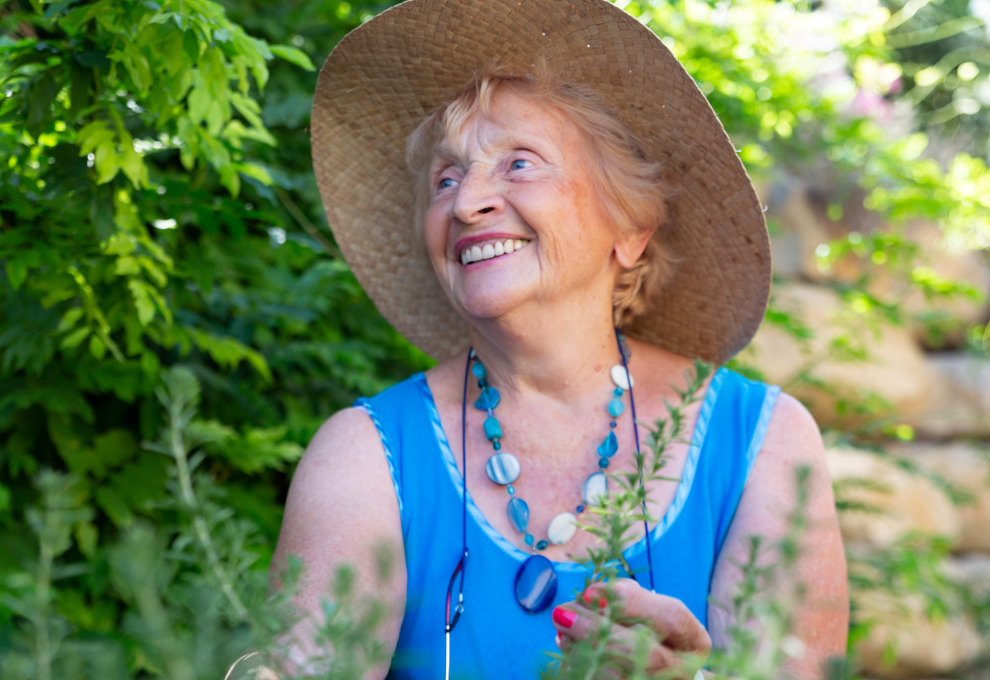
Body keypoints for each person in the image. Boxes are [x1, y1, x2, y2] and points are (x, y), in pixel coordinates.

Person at [270, 0, 849, 678]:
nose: (464, 204)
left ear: (630, 229)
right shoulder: (365, 452)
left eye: (519, 163)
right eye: (445, 178)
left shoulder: (765, 441)